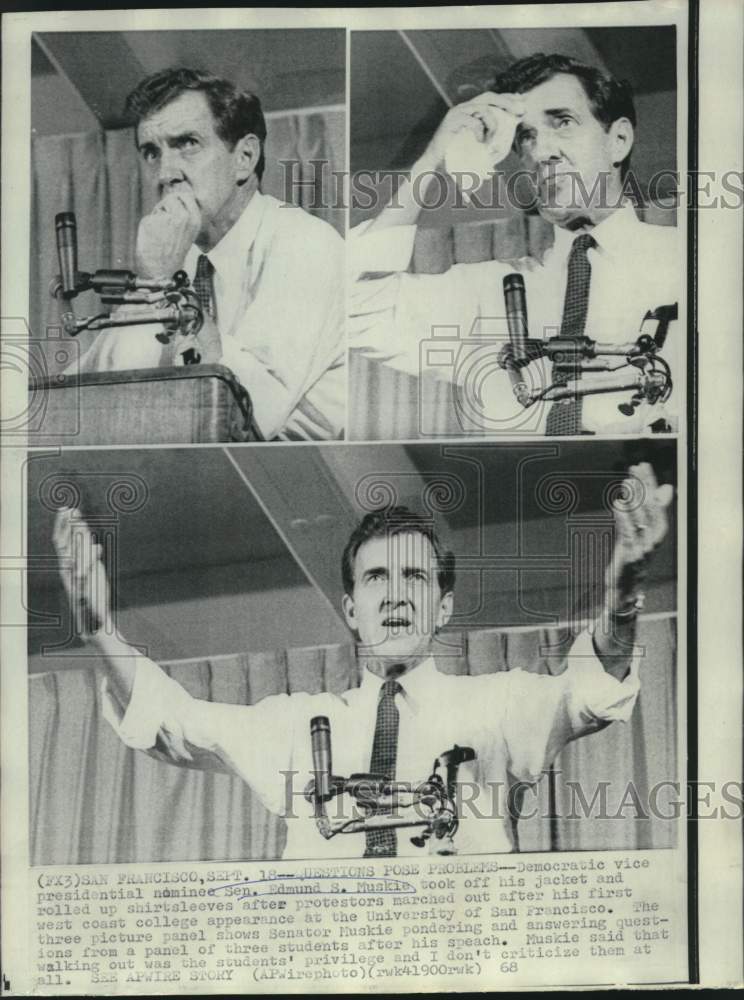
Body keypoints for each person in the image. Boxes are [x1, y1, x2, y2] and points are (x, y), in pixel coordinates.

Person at [53, 462, 672, 860]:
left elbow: (590, 690)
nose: (396, 593)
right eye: (376, 577)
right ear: (351, 609)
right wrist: (98, 628)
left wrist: (623, 591)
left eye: (415, 578)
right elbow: (174, 722)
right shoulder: (294, 724)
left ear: (443, 606)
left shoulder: (502, 704)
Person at [350, 53, 680, 437]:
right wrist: (431, 163)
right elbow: (353, 310)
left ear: (618, 140)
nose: (541, 153)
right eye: (526, 136)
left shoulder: (691, 263)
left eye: (563, 122)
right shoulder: (485, 292)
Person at [70, 67, 345, 441]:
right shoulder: (173, 259)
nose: (165, 173)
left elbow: (247, 408)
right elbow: (93, 388)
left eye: (187, 144)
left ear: (245, 157)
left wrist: (160, 287)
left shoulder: (305, 244)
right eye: (151, 152)